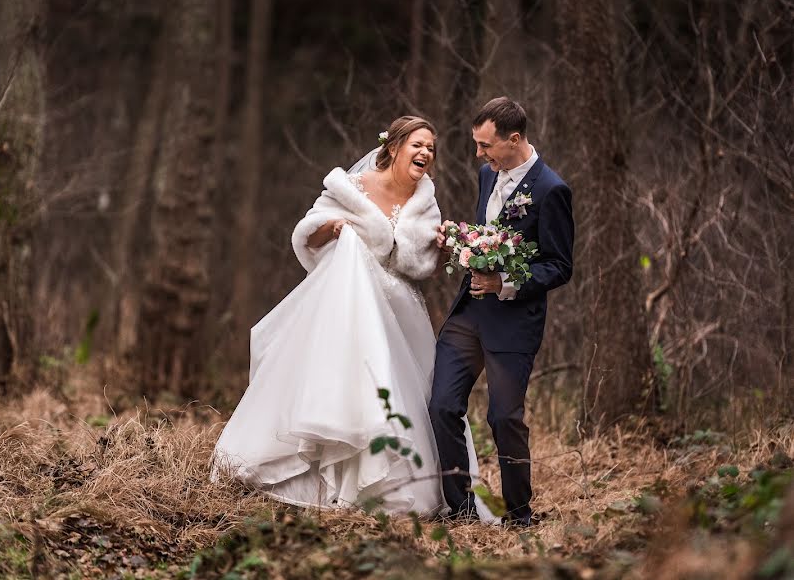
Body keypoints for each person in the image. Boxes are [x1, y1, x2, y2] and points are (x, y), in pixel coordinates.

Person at [211, 116, 493, 518]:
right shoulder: (353, 187)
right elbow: (308, 234)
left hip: (402, 313)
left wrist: (444, 247)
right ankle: (325, 477)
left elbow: (423, 263)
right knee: (351, 382)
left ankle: (405, 486)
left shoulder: (425, 200)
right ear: (394, 147)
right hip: (351, 307)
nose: (425, 153)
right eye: (417, 144)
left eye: (431, 147)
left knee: (413, 393)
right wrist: (333, 227)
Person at [430, 97, 574, 525]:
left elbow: (559, 265)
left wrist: (505, 283)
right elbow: (488, 237)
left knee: (504, 417)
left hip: (514, 323)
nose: (479, 154)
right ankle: (460, 508)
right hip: (469, 313)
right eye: (477, 144)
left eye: (485, 145)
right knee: (441, 405)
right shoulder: (485, 175)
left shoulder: (552, 190)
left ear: (514, 139)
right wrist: (459, 242)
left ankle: (519, 513)